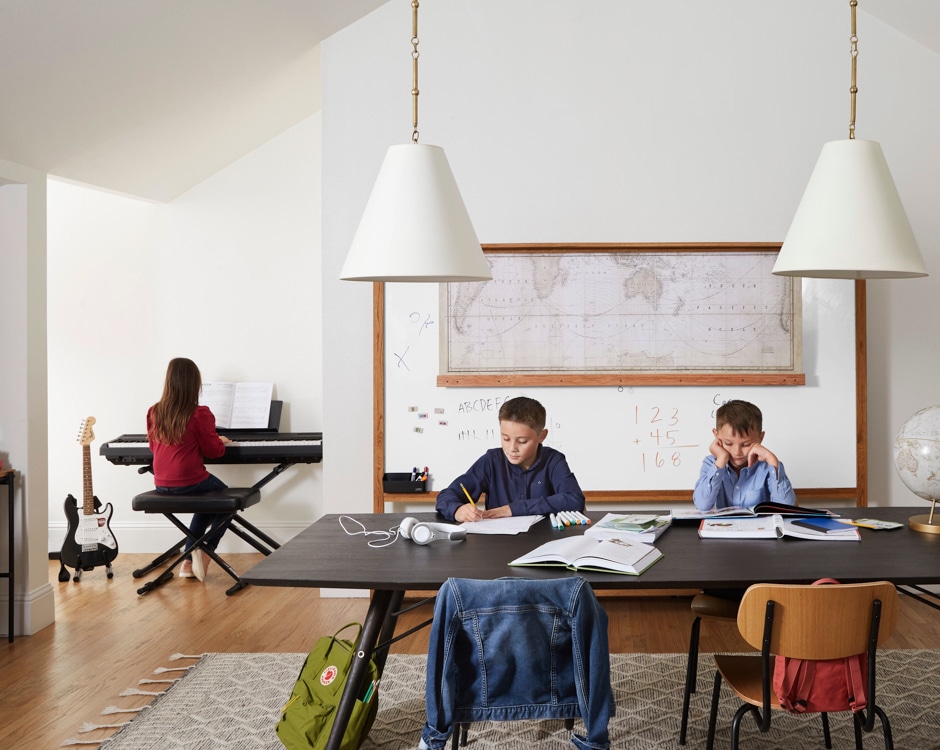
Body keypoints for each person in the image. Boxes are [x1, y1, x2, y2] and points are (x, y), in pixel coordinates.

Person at [147, 357, 231, 581]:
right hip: (190, 481)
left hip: (161, 484)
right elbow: (214, 451)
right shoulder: (199, 413)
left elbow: (153, 447)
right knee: (226, 503)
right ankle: (204, 551)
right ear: (195, 384)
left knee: (206, 500)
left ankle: (186, 562)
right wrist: (221, 441)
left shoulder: (154, 411)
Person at [435, 396, 585, 522]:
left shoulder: (553, 460)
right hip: (499, 545)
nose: (512, 448)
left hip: (543, 542)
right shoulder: (491, 461)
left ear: (541, 436)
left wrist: (511, 509)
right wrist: (457, 510)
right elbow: (446, 495)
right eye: (505, 438)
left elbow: (574, 499)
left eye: (522, 441)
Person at [692, 399, 795, 511]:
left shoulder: (767, 467)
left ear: (760, 438)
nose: (737, 452)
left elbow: (787, 509)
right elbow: (702, 505)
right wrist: (721, 459)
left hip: (759, 527)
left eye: (746, 444)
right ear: (716, 436)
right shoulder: (711, 464)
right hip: (725, 528)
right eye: (728, 443)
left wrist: (772, 460)